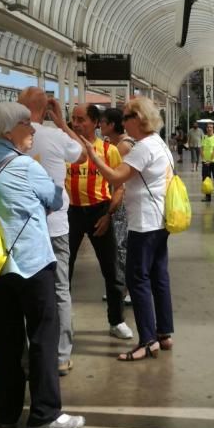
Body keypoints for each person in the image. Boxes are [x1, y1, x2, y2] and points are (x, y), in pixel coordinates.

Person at [0, 102, 85, 428]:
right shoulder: (25, 166)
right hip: (32, 263)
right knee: (43, 336)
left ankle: (6, 412)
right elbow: (55, 199)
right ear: (8, 131)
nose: (32, 129)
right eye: (26, 124)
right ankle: (44, 413)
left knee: (5, 340)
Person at [77, 97, 174, 362]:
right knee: (159, 276)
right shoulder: (160, 144)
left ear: (139, 119)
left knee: (137, 279)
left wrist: (93, 154)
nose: (123, 121)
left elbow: (114, 177)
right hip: (160, 221)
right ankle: (164, 332)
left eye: (127, 116)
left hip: (144, 223)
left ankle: (147, 340)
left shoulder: (143, 148)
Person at [19, 87, 86, 376]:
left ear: (21, 106)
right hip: (57, 225)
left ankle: (31, 350)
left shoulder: (12, 137)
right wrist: (61, 123)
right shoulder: (56, 136)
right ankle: (61, 355)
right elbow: (82, 156)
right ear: (46, 109)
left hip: (22, 228)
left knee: (24, 289)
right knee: (60, 289)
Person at [66, 104, 131, 340]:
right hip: (70, 213)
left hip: (100, 212)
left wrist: (108, 215)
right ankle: (64, 321)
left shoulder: (108, 150)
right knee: (65, 270)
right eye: (73, 119)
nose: (76, 123)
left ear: (95, 122)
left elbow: (119, 187)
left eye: (81, 119)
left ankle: (117, 320)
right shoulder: (65, 149)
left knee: (112, 269)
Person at [99, 108, 134, 305]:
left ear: (112, 125)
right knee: (119, 245)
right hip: (121, 198)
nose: (99, 126)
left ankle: (125, 288)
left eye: (102, 122)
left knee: (121, 245)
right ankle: (121, 286)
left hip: (123, 200)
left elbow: (109, 174)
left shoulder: (122, 147)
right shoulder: (116, 143)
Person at [200, 122, 214, 202]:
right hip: (205, 162)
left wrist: (209, 160)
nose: (209, 129)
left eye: (211, 127)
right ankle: (207, 197)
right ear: (206, 129)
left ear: (213, 129)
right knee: (206, 180)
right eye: (208, 127)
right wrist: (204, 160)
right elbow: (201, 149)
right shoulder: (204, 137)